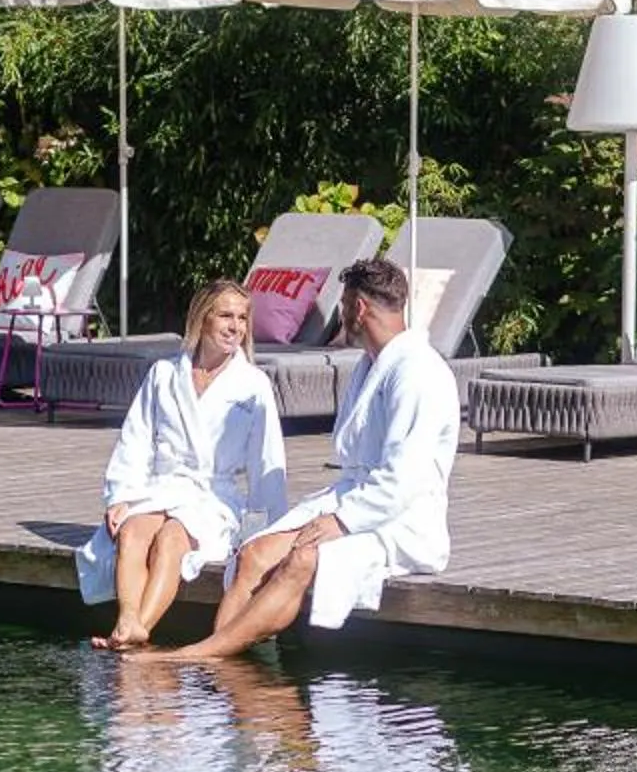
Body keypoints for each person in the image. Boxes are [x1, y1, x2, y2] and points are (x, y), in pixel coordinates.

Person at [162, 256, 456, 661]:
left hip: (403, 521)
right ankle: (222, 665)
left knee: (302, 558)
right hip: (355, 499)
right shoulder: (371, 365)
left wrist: (342, 521)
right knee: (253, 554)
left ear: (358, 308)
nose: (340, 316)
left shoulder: (417, 372)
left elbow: (405, 479)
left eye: (343, 305)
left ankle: (203, 655)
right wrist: (338, 514)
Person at [75, 280, 284, 651]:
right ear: (202, 318)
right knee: (132, 532)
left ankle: (135, 633)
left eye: (242, 318)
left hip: (212, 497)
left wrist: (266, 531)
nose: (235, 327)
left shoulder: (253, 385)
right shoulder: (164, 374)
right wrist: (122, 496)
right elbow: (136, 438)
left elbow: (267, 460)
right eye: (226, 316)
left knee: (172, 540)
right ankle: (127, 620)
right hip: (162, 486)